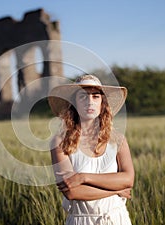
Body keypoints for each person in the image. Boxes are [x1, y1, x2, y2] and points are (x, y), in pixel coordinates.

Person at [48, 74, 134, 225]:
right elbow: (72, 192)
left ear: (102, 103)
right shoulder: (60, 142)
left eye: (96, 97)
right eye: (83, 96)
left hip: (117, 219)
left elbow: (128, 180)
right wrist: (115, 190)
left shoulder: (117, 140)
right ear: (73, 103)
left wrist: (83, 177)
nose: (90, 102)